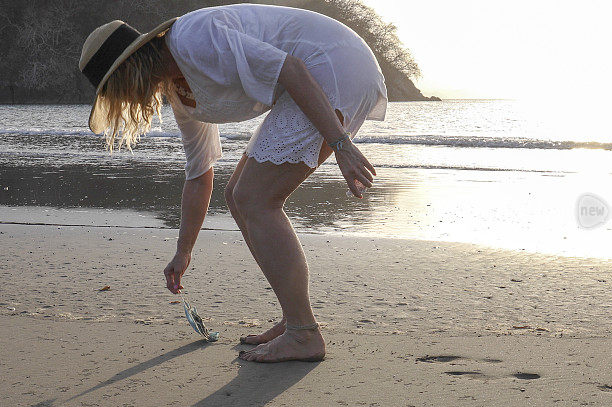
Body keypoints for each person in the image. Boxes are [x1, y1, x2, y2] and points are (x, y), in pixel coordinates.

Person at [78, 4, 388, 363]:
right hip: (316, 77)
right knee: (238, 195)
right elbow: (199, 172)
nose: (123, 102)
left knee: (256, 199)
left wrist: (341, 144)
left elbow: (290, 67)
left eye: (113, 91)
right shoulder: (182, 95)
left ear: (128, 71)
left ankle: (304, 333)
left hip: (335, 66)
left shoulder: (193, 40)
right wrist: (183, 251)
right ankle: (294, 321)